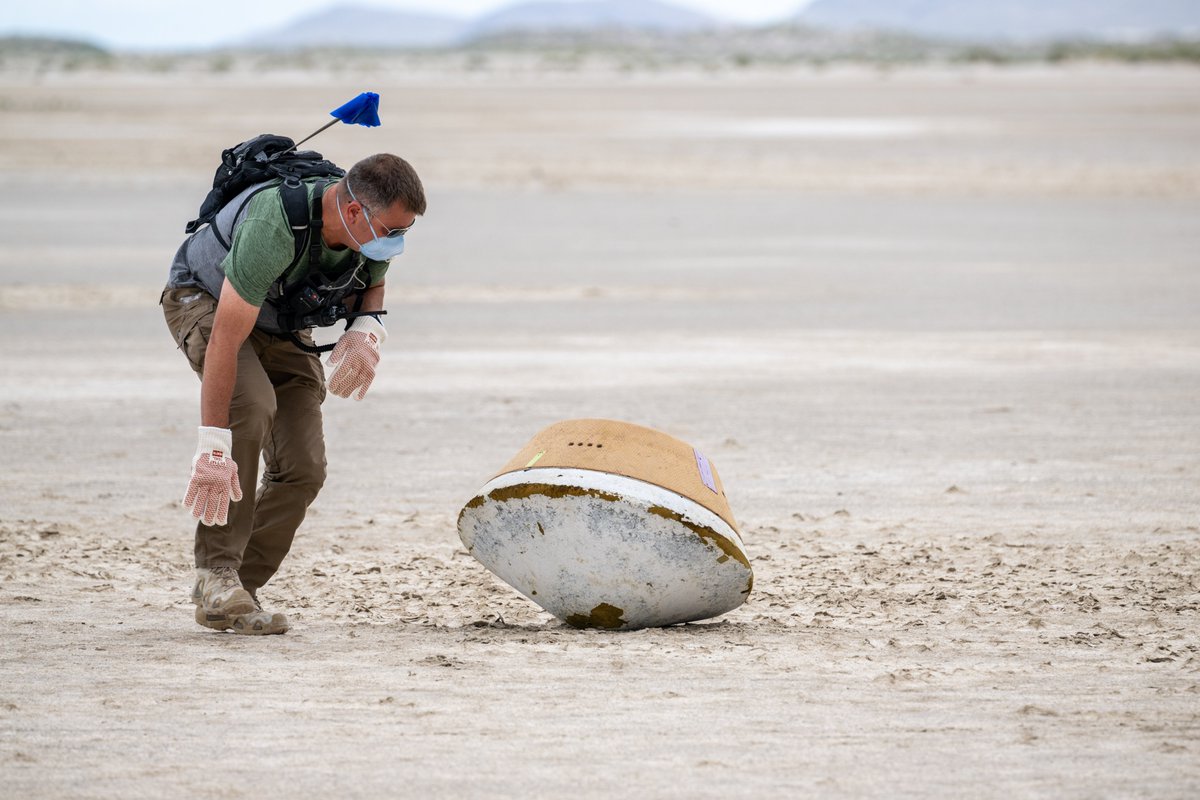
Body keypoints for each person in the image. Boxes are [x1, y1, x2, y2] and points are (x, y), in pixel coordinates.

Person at [161, 153, 426, 635]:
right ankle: (216, 574)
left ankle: (237, 588)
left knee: (304, 467)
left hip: (280, 322)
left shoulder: (366, 232)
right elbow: (225, 338)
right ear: (352, 212)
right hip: (210, 303)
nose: (397, 241)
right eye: (393, 229)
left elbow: (373, 281)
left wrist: (368, 328)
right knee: (252, 406)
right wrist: (213, 447)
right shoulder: (274, 225)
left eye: (405, 231)